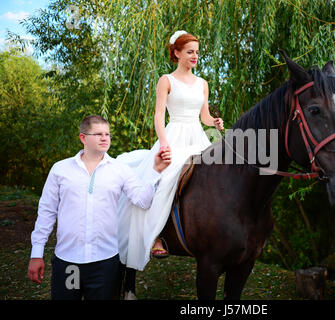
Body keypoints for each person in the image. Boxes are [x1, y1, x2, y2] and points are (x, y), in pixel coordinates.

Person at [27, 115, 171, 300]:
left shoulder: (120, 170)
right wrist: (36, 253)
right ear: (83, 138)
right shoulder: (60, 169)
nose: (105, 138)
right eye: (98, 134)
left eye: (107, 134)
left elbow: (143, 201)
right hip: (68, 262)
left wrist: (155, 171)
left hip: (105, 264)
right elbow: (47, 212)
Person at [117, 30, 224, 273]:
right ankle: (155, 236)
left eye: (197, 52)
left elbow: (204, 116)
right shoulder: (166, 80)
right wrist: (163, 142)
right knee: (163, 179)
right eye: (190, 52)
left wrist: (214, 123)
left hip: (197, 136)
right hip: (173, 135)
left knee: (216, 177)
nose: (195, 56)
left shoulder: (203, 84)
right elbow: (158, 115)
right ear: (176, 53)